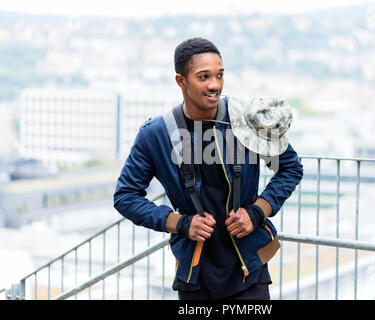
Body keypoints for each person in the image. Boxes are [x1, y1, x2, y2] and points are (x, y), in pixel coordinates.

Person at [113, 37, 303, 300]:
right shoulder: (155, 134)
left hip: (250, 270)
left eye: (220, 75)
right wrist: (180, 223)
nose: (215, 85)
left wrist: (257, 212)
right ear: (181, 81)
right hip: (195, 274)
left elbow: (290, 168)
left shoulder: (247, 119)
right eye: (203, 77)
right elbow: (125, 197)